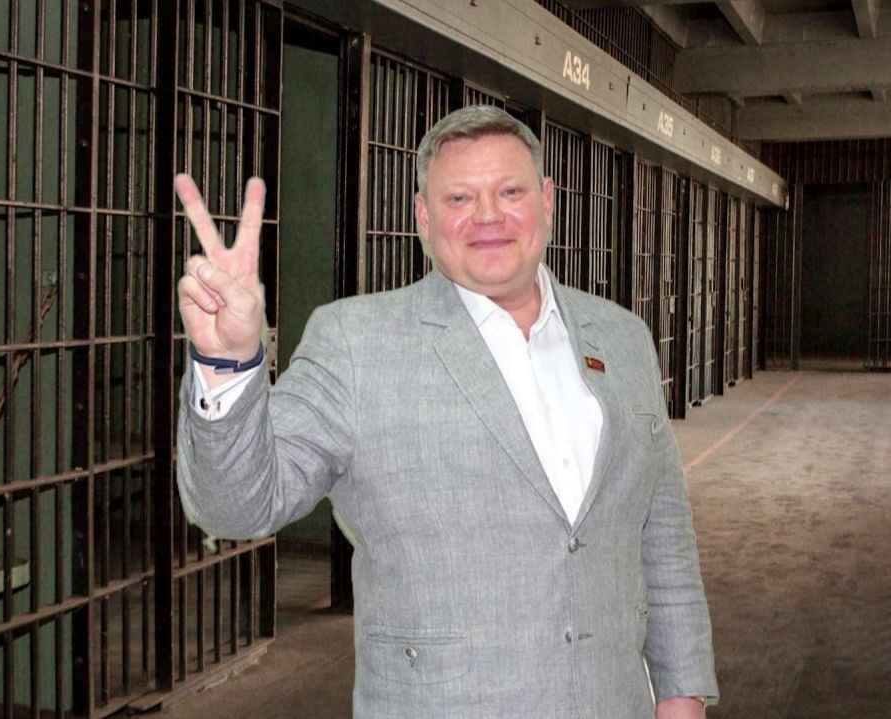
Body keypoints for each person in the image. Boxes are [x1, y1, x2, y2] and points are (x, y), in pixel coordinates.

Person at [174, 105, 718, 718]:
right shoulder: (356, 343)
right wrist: (226, 362)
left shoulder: (622, 337)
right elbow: (237, 506)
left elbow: (662, 534)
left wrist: (683, 693)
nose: (488, 216)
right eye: (459, 198)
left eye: (510, 192)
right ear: (424, 218)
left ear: (546, 200)